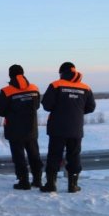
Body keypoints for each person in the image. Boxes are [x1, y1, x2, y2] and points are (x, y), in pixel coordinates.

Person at [40, 62, 96, 193]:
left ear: (61, 73)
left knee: (54, 155)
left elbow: (47, 105)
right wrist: (76, 111)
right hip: (76, 128)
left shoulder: (56, 85)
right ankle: (73, 185)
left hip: (57, 128)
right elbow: (91, 107)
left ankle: (51, 184)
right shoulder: (85, 88)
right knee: (74, 156)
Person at [0, 64, 43, 190]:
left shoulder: (6, 91)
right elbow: (37, 106)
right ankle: (37, 180)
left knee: (19, 156)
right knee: (34, 155)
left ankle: (24, 181)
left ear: (10, 75)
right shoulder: (34, 88)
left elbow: (0, 110)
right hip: (31, 128)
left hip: (14, 129)